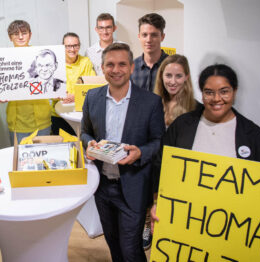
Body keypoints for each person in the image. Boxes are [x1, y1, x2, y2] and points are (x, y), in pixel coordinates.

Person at [150, 63, 260, 238]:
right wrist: (158, 202)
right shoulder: (182, 126)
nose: (217, 98)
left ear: (235, 91)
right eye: (209, 92)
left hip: (233, 229)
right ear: (201, 93)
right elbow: (161, 167)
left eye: (224, 91)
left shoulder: (255, 137)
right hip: (185, 220)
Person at [81, 43, 165, 261]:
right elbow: (85, 133)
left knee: (130, 249)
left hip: (133, 186)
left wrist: (141, 152)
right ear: (102, 67)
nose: (115, 69)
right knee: (113, 242)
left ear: (131, 68)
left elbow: (159, 142)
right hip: (102, 187)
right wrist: (89, 145)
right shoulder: (92, 97)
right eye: (110, 64)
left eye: (121, 64)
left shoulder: (151, 102)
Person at [5, 20, 51, 143]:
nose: (20, 37)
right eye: (16, 34)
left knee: (44, 157)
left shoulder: (43, 55)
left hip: (42, 120)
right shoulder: (3, 59)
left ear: (30, 35)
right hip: (17, 123)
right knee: (21, 159)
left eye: (24, 33)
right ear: (10, 37)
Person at [51, 32, 96, 135]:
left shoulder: (86, 62)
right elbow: (49, 90)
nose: (72, 49)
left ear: (79, 46)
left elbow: (92, 87)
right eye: (68, 46)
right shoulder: (55, 64)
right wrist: (61, 96)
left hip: (81, 114)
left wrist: (76, 96)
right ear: (63, 47)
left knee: (81, 147)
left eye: (75, 45)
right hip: (59, 115)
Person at [153, 54, 197, 127]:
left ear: (186, 77)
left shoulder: (196, 108)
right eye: (168, 75)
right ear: (161, 75)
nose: (173, 82)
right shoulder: (153, 105)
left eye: (178, 76)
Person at [131, 13, 169, 92]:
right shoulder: (131, 67)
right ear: (139, 37)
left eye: (154, 35)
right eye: (144, 35)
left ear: (162, 37)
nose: (148, 40)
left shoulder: (172, 65)